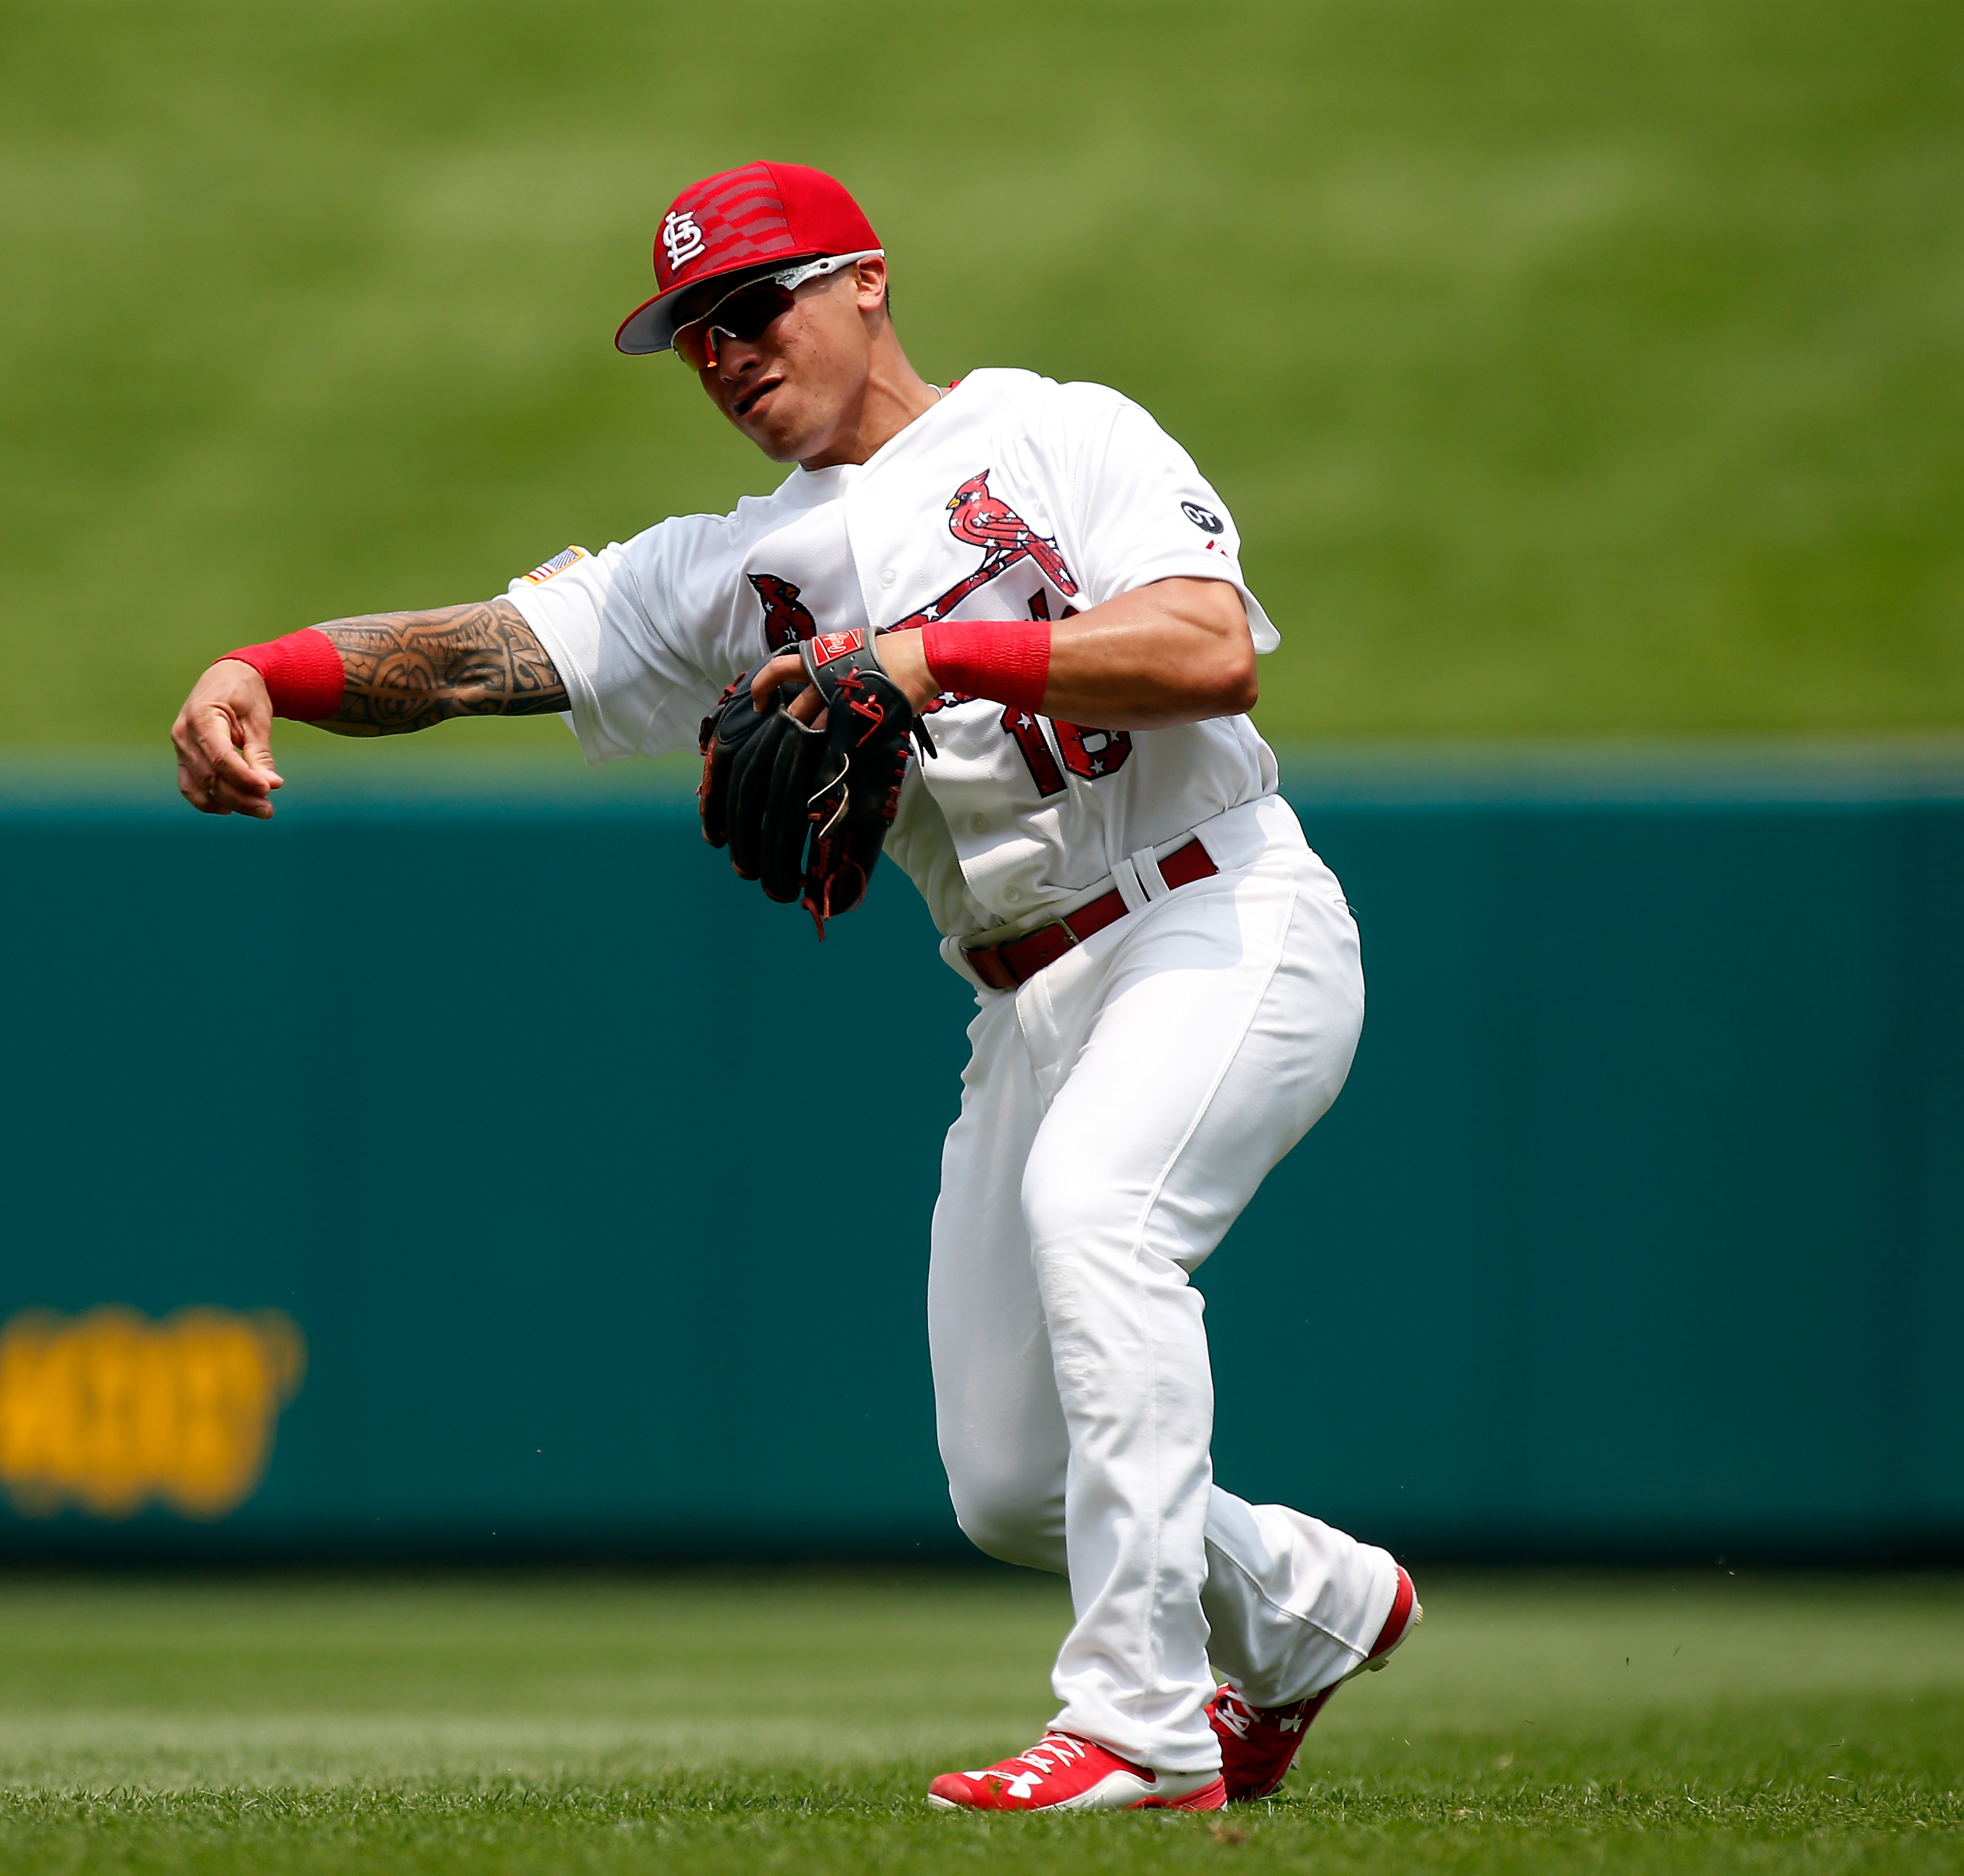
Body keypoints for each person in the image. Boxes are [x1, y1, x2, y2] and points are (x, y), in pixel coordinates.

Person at [168, 161, 1418, 1814]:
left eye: (754, 309)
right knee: (1009, 1480)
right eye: (696, 339)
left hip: (1216, 915)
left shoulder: (1061, 432)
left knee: (1100, 1219)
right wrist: (263, 669)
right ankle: (1309, 1609)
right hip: (1023, 998)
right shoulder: (730, 568)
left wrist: (928, 655)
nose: (728, 356)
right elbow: (483, 649)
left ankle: (1140, 1725)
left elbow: (1208, 651)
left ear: (868, 281)